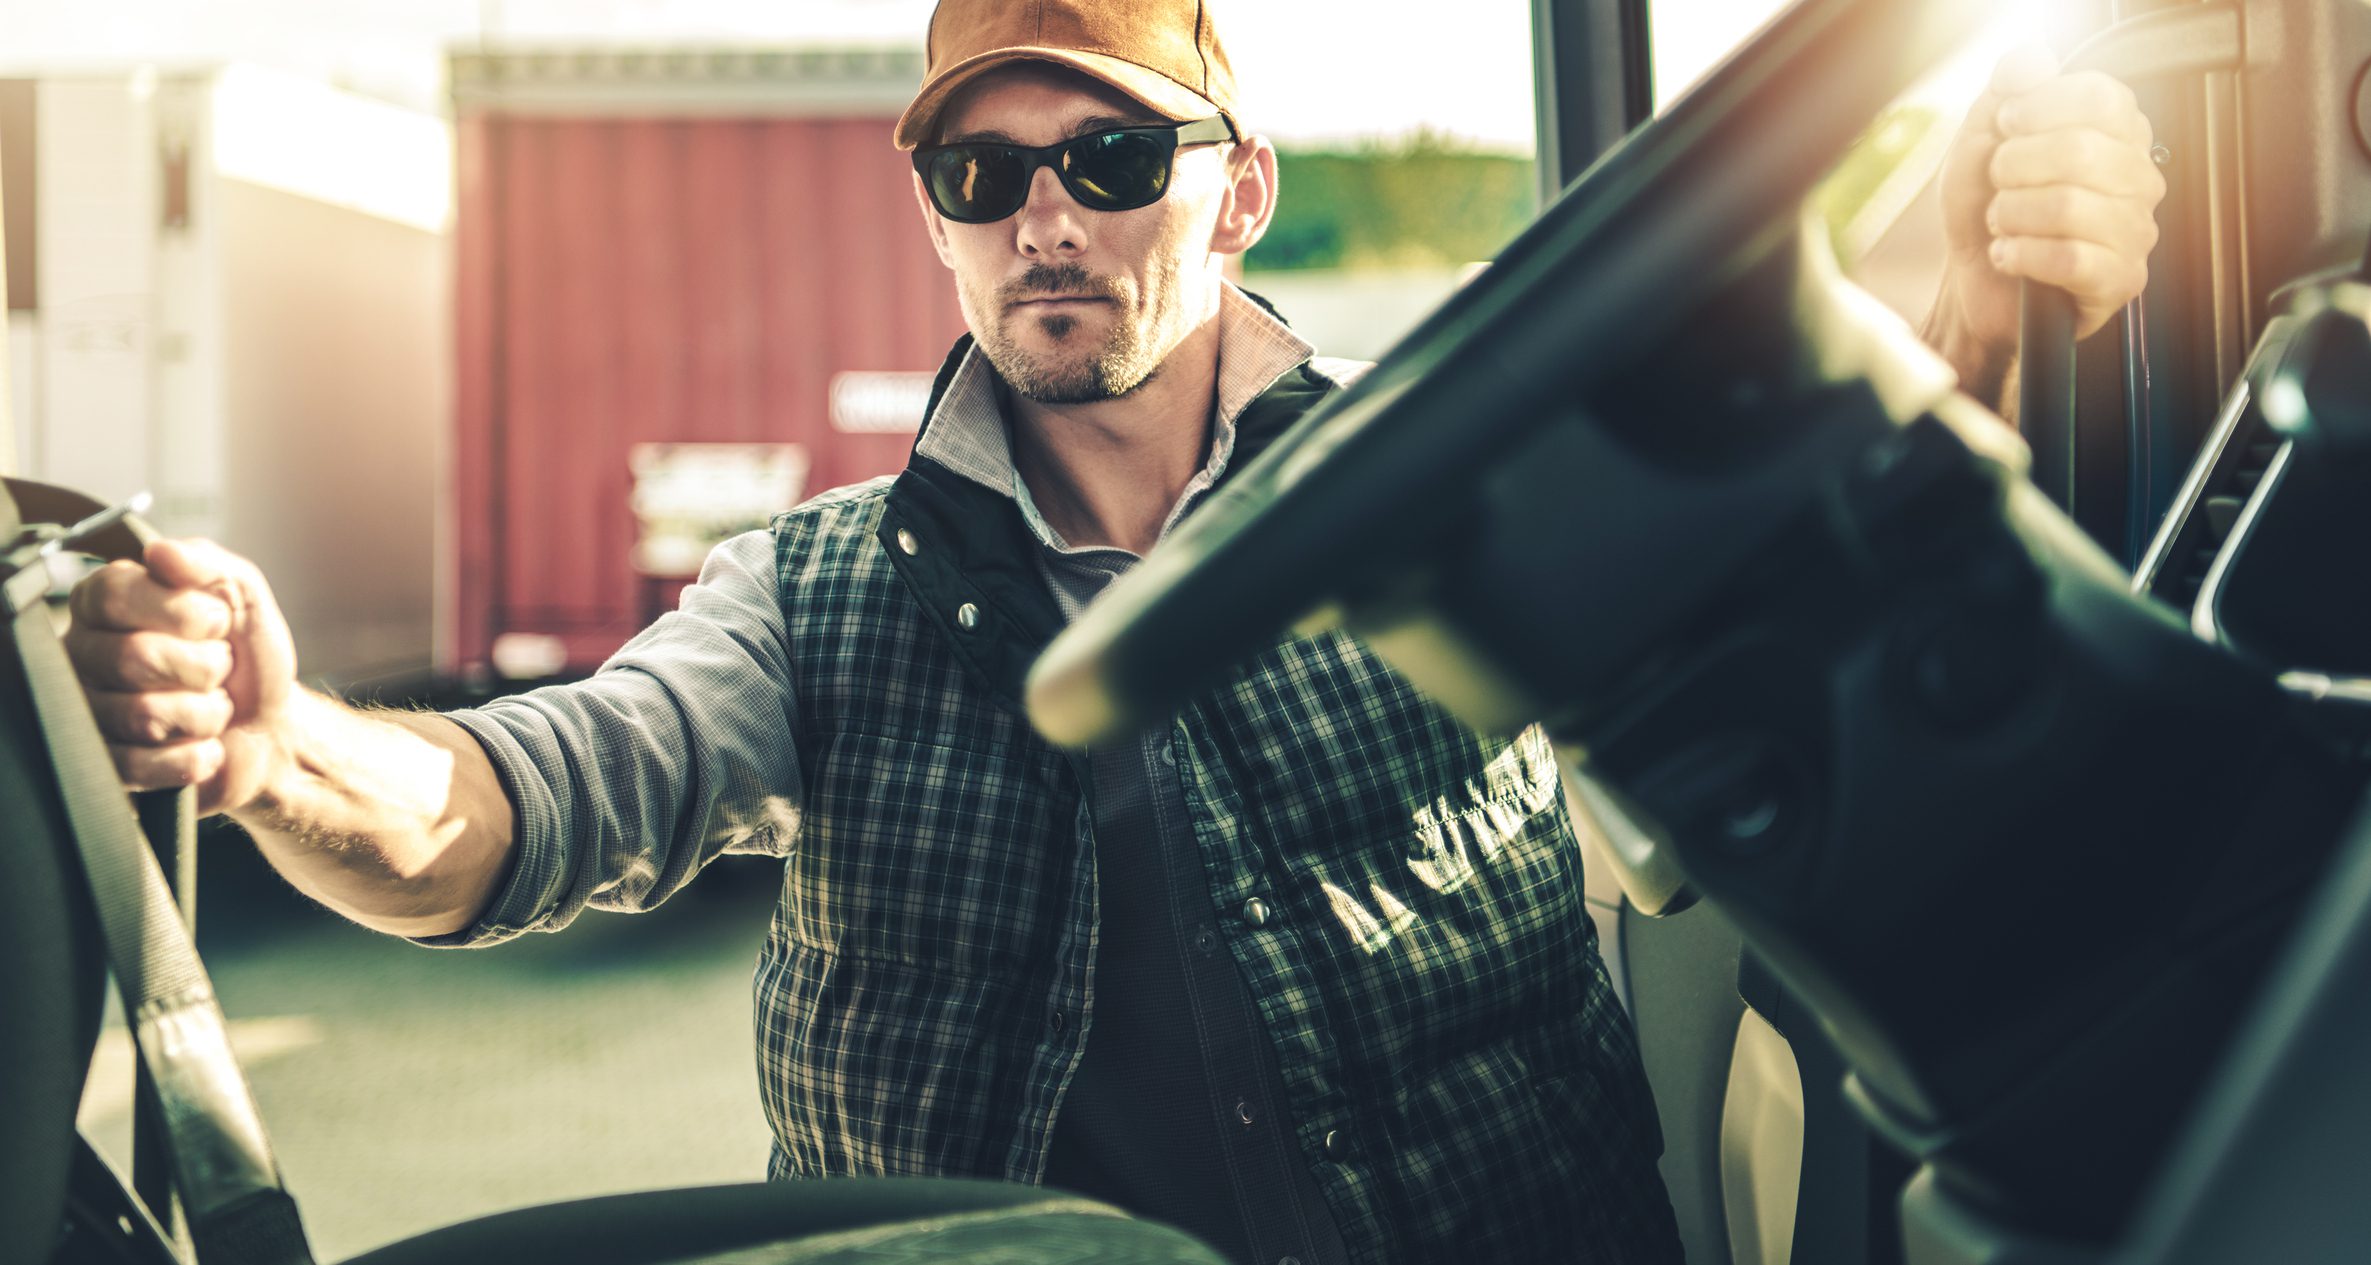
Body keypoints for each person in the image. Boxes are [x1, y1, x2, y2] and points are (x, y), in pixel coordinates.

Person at [60, 1, 2164, 1260]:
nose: (1041, 214)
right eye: (977, 175)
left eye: (1106, 153)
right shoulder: (815, 596)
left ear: (1233, 191)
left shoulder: (1459, 507)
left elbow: (1785, 547)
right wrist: (283, 751)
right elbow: (526, 803)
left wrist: (1984, 262)